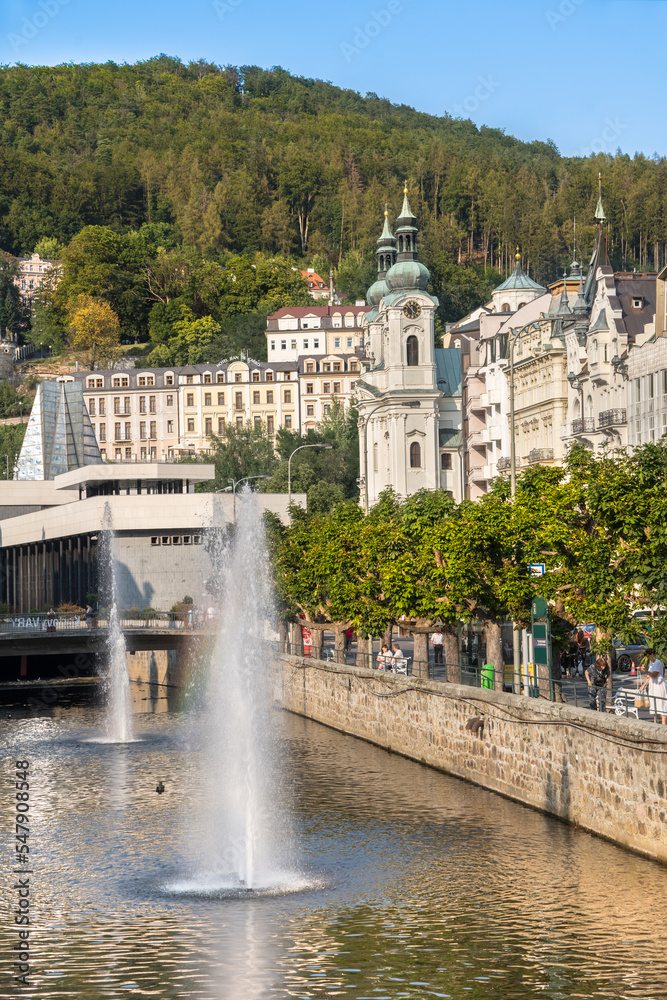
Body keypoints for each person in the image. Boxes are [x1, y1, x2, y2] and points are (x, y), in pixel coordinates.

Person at [639, 649, 667, 725]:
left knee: (661, 705)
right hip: (653, 687)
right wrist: (643, 685)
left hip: (659, 686)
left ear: (652, 654)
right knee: (655, 705)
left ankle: (664, 724)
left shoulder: (658, 662)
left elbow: (654, 675)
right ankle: (656, 724)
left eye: (648, 656)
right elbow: (648, 676)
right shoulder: (651, 663)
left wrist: (645, 671)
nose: (648, 658)